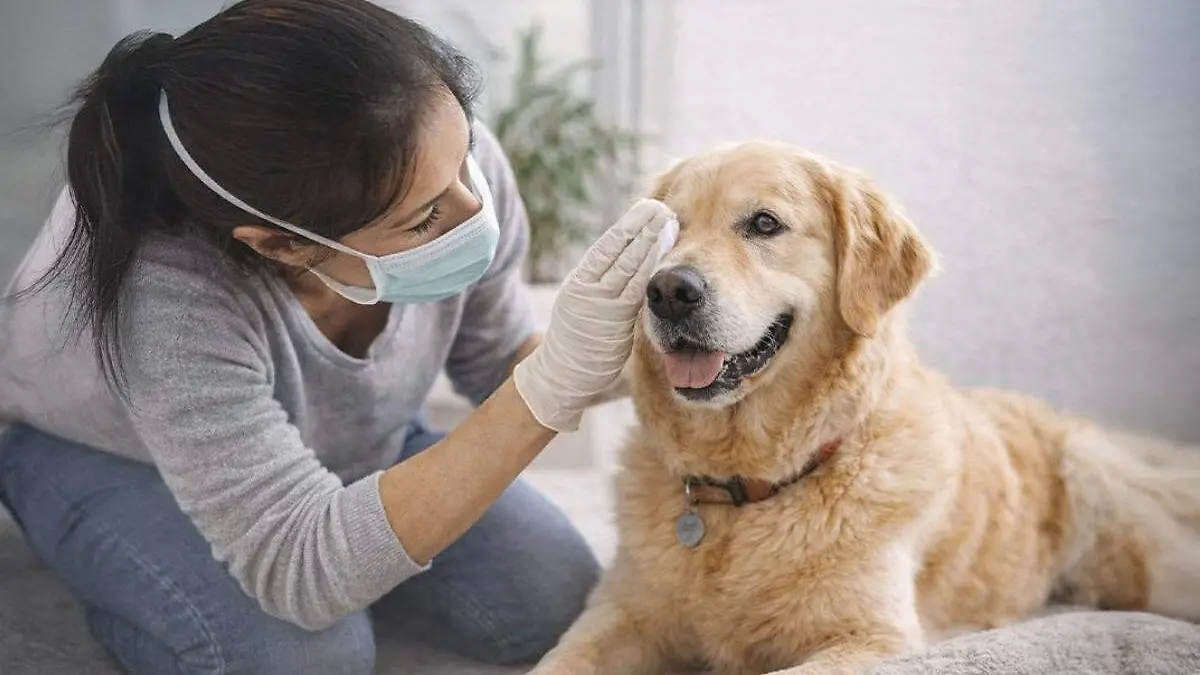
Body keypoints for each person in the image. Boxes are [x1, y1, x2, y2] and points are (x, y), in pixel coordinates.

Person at [0, 1, 677, 673]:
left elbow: (493, 362)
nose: (475, 211)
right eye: (421, 221)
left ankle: (351, 539)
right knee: (304, 655)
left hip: (356, 431)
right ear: (282, 245)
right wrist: (551, 385)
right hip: (110, 454)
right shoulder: (168, 296)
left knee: (552, 595)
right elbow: (303, 569)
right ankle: (128, 575)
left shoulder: (439, 161)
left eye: (465, 154)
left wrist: (659, 343)